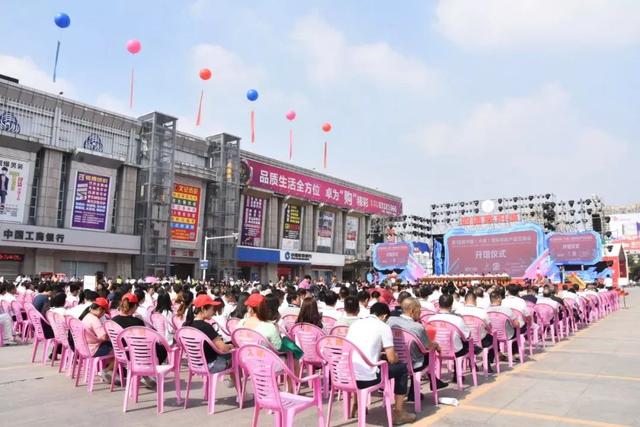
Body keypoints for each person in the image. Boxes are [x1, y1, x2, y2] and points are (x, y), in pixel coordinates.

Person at [347, 302, 416, 425]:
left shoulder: (355, 324)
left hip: (348, 376)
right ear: (384, 316)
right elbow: (391, 359)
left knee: (359, 365)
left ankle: (356, 403)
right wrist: (396, 356)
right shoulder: (383, 327)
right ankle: (399, 412)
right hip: (368, 378)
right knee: (402, 368)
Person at [387, 297, 447, 400]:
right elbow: (428, 346)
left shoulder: (390, 321)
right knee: (428, 355)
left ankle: (422, 388)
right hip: (413, 363)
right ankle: (432, 382)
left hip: (394, 360)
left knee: (417, 352)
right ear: (412, 311)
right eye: (419, 310)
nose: (420, 313)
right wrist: (436, 345)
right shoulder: (417, 327)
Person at [184, 294, 234, 373]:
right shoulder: (206, 326)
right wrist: (231, 346)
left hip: (194, 364)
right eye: (212, 309)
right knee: (236, 357)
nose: (214, 312)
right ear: (203, 309)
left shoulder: (186, 325)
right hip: (210, 364)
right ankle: (238, 384)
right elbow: (223, 348)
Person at [81, 297, 113, 382]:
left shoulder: (87, 316)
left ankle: (107, 370)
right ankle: (105, 371)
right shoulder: (95, 320)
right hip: (93, 349)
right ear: (100, 310)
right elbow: (103, 337)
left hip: (85, 348)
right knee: (119, 351)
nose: (103, 315)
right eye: (104, 312)